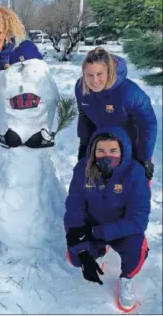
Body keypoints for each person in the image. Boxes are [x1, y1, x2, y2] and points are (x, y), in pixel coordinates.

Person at [64, 126, 151, 313]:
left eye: (113, 151)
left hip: (122, 229)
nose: (107, 156)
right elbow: (73, 211)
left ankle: (126, 278)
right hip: (92, 225)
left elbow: (138, 220)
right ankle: (98, 251)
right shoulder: (82, 170)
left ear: (123, 150)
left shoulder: (135, 173)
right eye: (101, 151)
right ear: (93, 152)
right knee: (75, 257)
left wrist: (98, 232)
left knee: (136, 251)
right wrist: (83, 253)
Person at [75, 47, 157, 181]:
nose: (94, 81)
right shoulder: (81, 89)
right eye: (89, 75)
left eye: (100, 74)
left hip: (134, 146)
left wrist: (144, 158)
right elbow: (84, 116)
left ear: (109, 71)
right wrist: (84, 146)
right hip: (103, 145)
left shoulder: (130, 93)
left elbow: (148, 124)